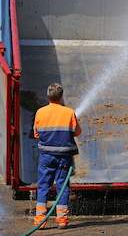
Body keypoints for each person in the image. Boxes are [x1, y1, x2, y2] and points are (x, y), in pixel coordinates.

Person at [33, 83, 81, 229]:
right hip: (64, 157)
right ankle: (62, 220)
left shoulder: (40, 112)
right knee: (63, 186)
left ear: (48, 96)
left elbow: (36, 134)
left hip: (46, 156)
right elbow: (77, 132)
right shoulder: (69, 112)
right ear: (61, 96)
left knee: (43, 186)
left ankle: (40, 220)